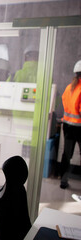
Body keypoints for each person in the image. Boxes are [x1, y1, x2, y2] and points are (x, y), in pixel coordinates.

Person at [59, 60, 81, 189]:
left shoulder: (69, 87)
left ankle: (63, 181)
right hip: (79, 127)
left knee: (67, 155)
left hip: (67, 126)